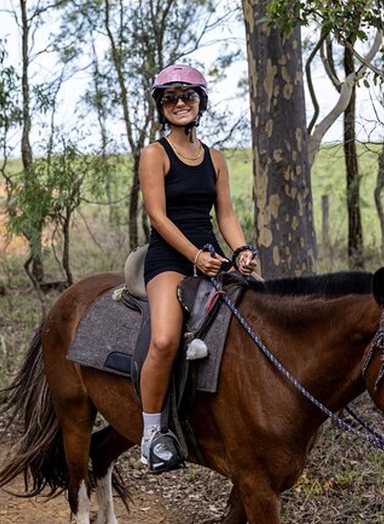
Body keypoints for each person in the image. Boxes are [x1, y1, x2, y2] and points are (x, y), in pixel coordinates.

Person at [138, 64, 258, 472]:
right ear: (162, 106)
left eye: (188, 96)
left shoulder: (216, 159)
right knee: (164, 341)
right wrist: (193, 257)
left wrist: (241, 250)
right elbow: (158, 217)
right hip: (170, 258)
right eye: (170, 98)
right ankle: (152, 434)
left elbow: (226, 215)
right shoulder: (155, 155)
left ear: (200, 103)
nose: (180, 104)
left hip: (210, 255)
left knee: (264, 302)